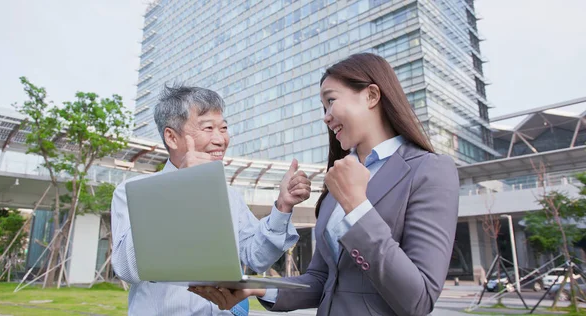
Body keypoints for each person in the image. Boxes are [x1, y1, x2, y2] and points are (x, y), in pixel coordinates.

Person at [191, 53, 460, 316]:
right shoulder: (338, 178)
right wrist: (257, 287)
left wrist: (357, 206)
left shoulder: (429, 170)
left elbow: (419, 299)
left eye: (331, 101)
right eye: (324, 107)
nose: (326, 116)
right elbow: (322, 280)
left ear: (372, 96)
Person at [111, 85, 312, 315]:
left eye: (223, 128)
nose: (221, 139)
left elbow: (256, 257)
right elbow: (127, 268)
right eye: (208, 128)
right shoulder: (131, 192)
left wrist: (282, 206)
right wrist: (175, 191)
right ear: (171, 137)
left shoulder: (230, 197)